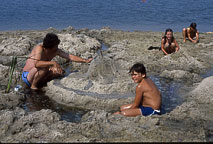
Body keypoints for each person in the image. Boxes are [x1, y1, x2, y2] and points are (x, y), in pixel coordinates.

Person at [22, 33, 93, 90]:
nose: (57, 47)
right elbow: (37, 64)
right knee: (45, 67)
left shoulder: (56, 51)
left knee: (58, 72)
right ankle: (33, 86)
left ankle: (41, 84)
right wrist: (53, 63)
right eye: (56, 46)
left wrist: (85, 60)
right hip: (28, 76)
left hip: (38, 75)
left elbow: (69, 56)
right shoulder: (39, 48)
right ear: (50, 46)